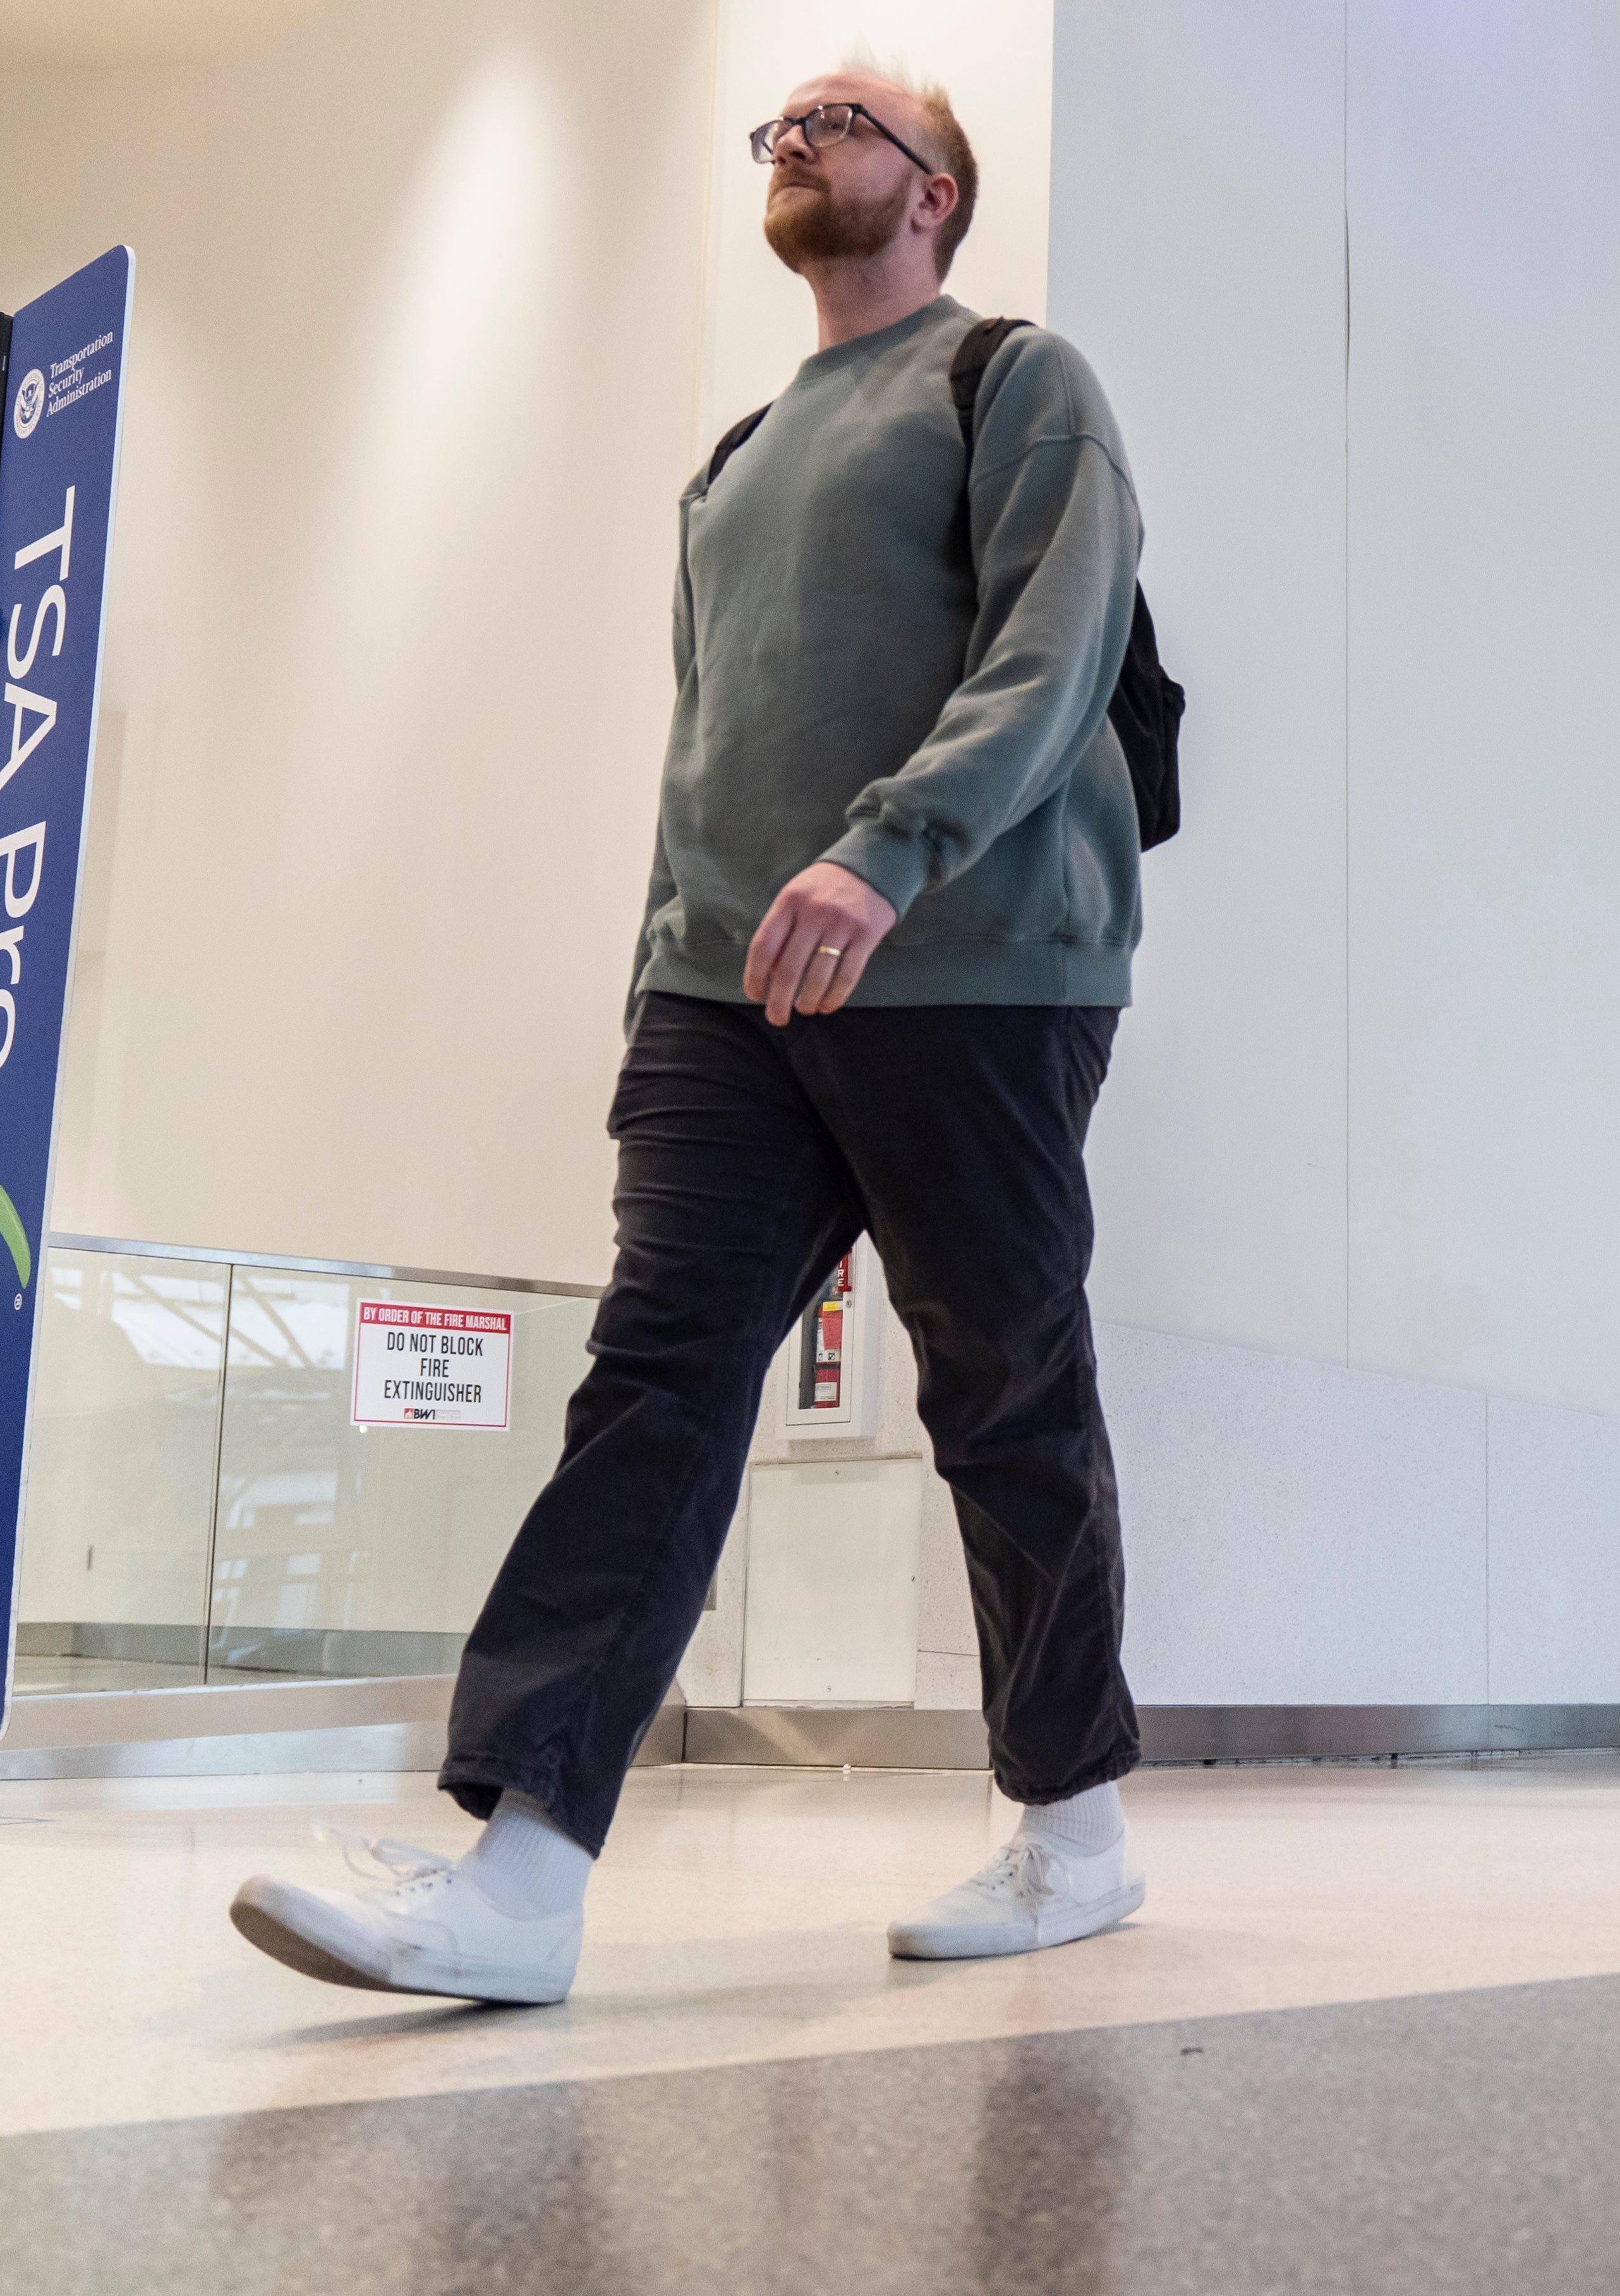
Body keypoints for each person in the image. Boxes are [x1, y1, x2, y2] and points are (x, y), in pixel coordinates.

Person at [232, 56, 1152, 2005]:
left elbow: (1053, 650)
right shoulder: (732, 454)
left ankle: (1075, 1825)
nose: (795, 140)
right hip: (727, 994)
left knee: (1002, 1392)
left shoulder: (1013, 379)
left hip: (973, 965)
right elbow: (706, 740)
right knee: (652, 1379)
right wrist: (667, 957)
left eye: (839, 121)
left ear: (936, 189)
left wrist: (890, 848)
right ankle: (524, 1869)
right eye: (780, 128)